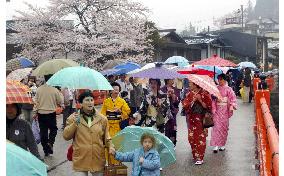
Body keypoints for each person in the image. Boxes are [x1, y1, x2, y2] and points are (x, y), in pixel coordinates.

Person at [63, 91, 114, 176]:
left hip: (97, 157)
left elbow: (107, 137)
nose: (90, 102)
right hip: (81, 158)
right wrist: (75, 124)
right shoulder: (73, 118)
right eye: (87, 100)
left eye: (91, 100)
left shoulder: (102, 119)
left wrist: (111, 146)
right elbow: (66, 136)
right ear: (81, 103)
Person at [182, 82, 212, 165]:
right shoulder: (189, 94)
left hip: (201, 120)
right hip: (191, 119)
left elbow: (208, 107)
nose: (189, 85)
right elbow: (185, 106)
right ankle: (195, 155)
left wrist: (200, 100)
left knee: (200, 138)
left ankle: (200, 157)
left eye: (190, 83)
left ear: (195, 84)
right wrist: (193, 100)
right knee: (191, 137)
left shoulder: (205, 94)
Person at [101, 82, 131, 165]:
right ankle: (110, 164)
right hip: (109, 127)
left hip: (118, 127)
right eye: (114, 89)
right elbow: (102, 113)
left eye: (117, 90)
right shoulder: (106, 101)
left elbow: (127, 112)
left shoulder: (122, 101)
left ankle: (118, 163)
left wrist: (120, 111)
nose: (116, 91)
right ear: (111, 91)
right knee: (108, 145)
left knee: (117, 145)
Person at [34, 74, 64, 156]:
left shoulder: (39, 89)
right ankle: (50, 143)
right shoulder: (54, 90)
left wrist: (34, 112)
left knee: (43, 132)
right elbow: (60, 101)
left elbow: (36, 102)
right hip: (51, 113)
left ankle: (45, 150)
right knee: (53, 129)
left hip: (41, 113)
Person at [210, 74, 237, 153]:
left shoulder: (229, 89)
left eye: (221, 79)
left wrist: (231, 105)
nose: (219, 81)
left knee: (224, 128)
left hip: (225, 110)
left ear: (225, 80)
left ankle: (222, 145)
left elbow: (233, 99)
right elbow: (212, 99)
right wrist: (214, 98)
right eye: (218, 79)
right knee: (216, 127)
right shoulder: (215, 88)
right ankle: (215, 145)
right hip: (217, 110)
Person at [161, 79, 180, 146]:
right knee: (166, 129)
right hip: (164, 113)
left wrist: (174, 97)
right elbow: (160, 100)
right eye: (172, 79)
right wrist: (167, 96)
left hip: (173, 112)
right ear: (168, 80)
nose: (173, 80)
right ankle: (165, 144)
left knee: (173, 129)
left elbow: (178, 102)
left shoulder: (176, 89)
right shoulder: (162, 89)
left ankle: (172, 144)